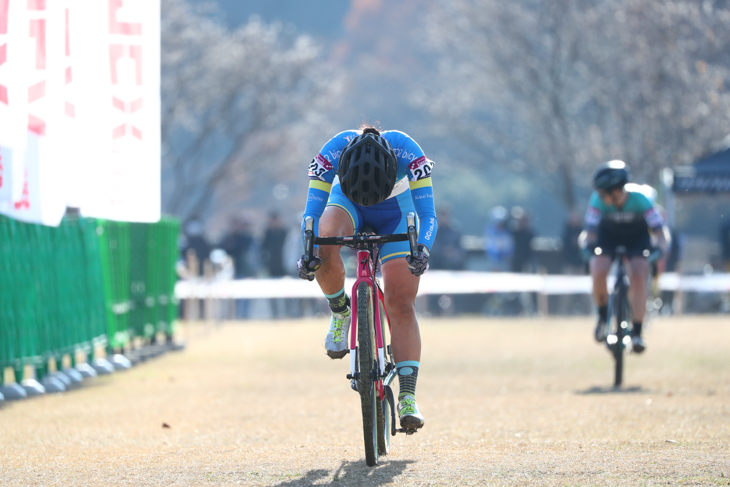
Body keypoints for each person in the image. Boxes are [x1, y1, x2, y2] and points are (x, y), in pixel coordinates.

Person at [296, 125, 437, 431]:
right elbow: (311, 216)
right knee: (324, 238)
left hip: (396, 212)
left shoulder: (407, 149)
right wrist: (309, 252)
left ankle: (408, 396)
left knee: (400, 302)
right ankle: (340, 310)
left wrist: (422, 249)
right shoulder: (334, 148)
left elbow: (428, 215)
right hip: (347, 203)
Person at [581, 160, 668, 353]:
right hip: (608, 236)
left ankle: (637, 332)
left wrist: (659, 250)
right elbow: (589, 233)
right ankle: (603, 316)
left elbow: (661, 234)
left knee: (638, 274)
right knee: (598, 267)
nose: (600, 197)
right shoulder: (597, 200)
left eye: (604, 194)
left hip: (636, 237)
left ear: (617, 192)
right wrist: (586, 247)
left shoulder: (641, 200)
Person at [219, 215, 257, 318]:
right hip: (231, 272)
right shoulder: (228, 238)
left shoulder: (246, 238)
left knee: (245, 296)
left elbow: (250, 256)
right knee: (232, 297)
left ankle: (244, 316)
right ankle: (233, 316)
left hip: (245, 271)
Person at [483, 206, 514, 272]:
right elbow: (489, 247)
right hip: (493, 261)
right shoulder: (490, 231)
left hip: (505, 261)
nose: (500, 224)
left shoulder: (508, 232)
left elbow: (509, 248)